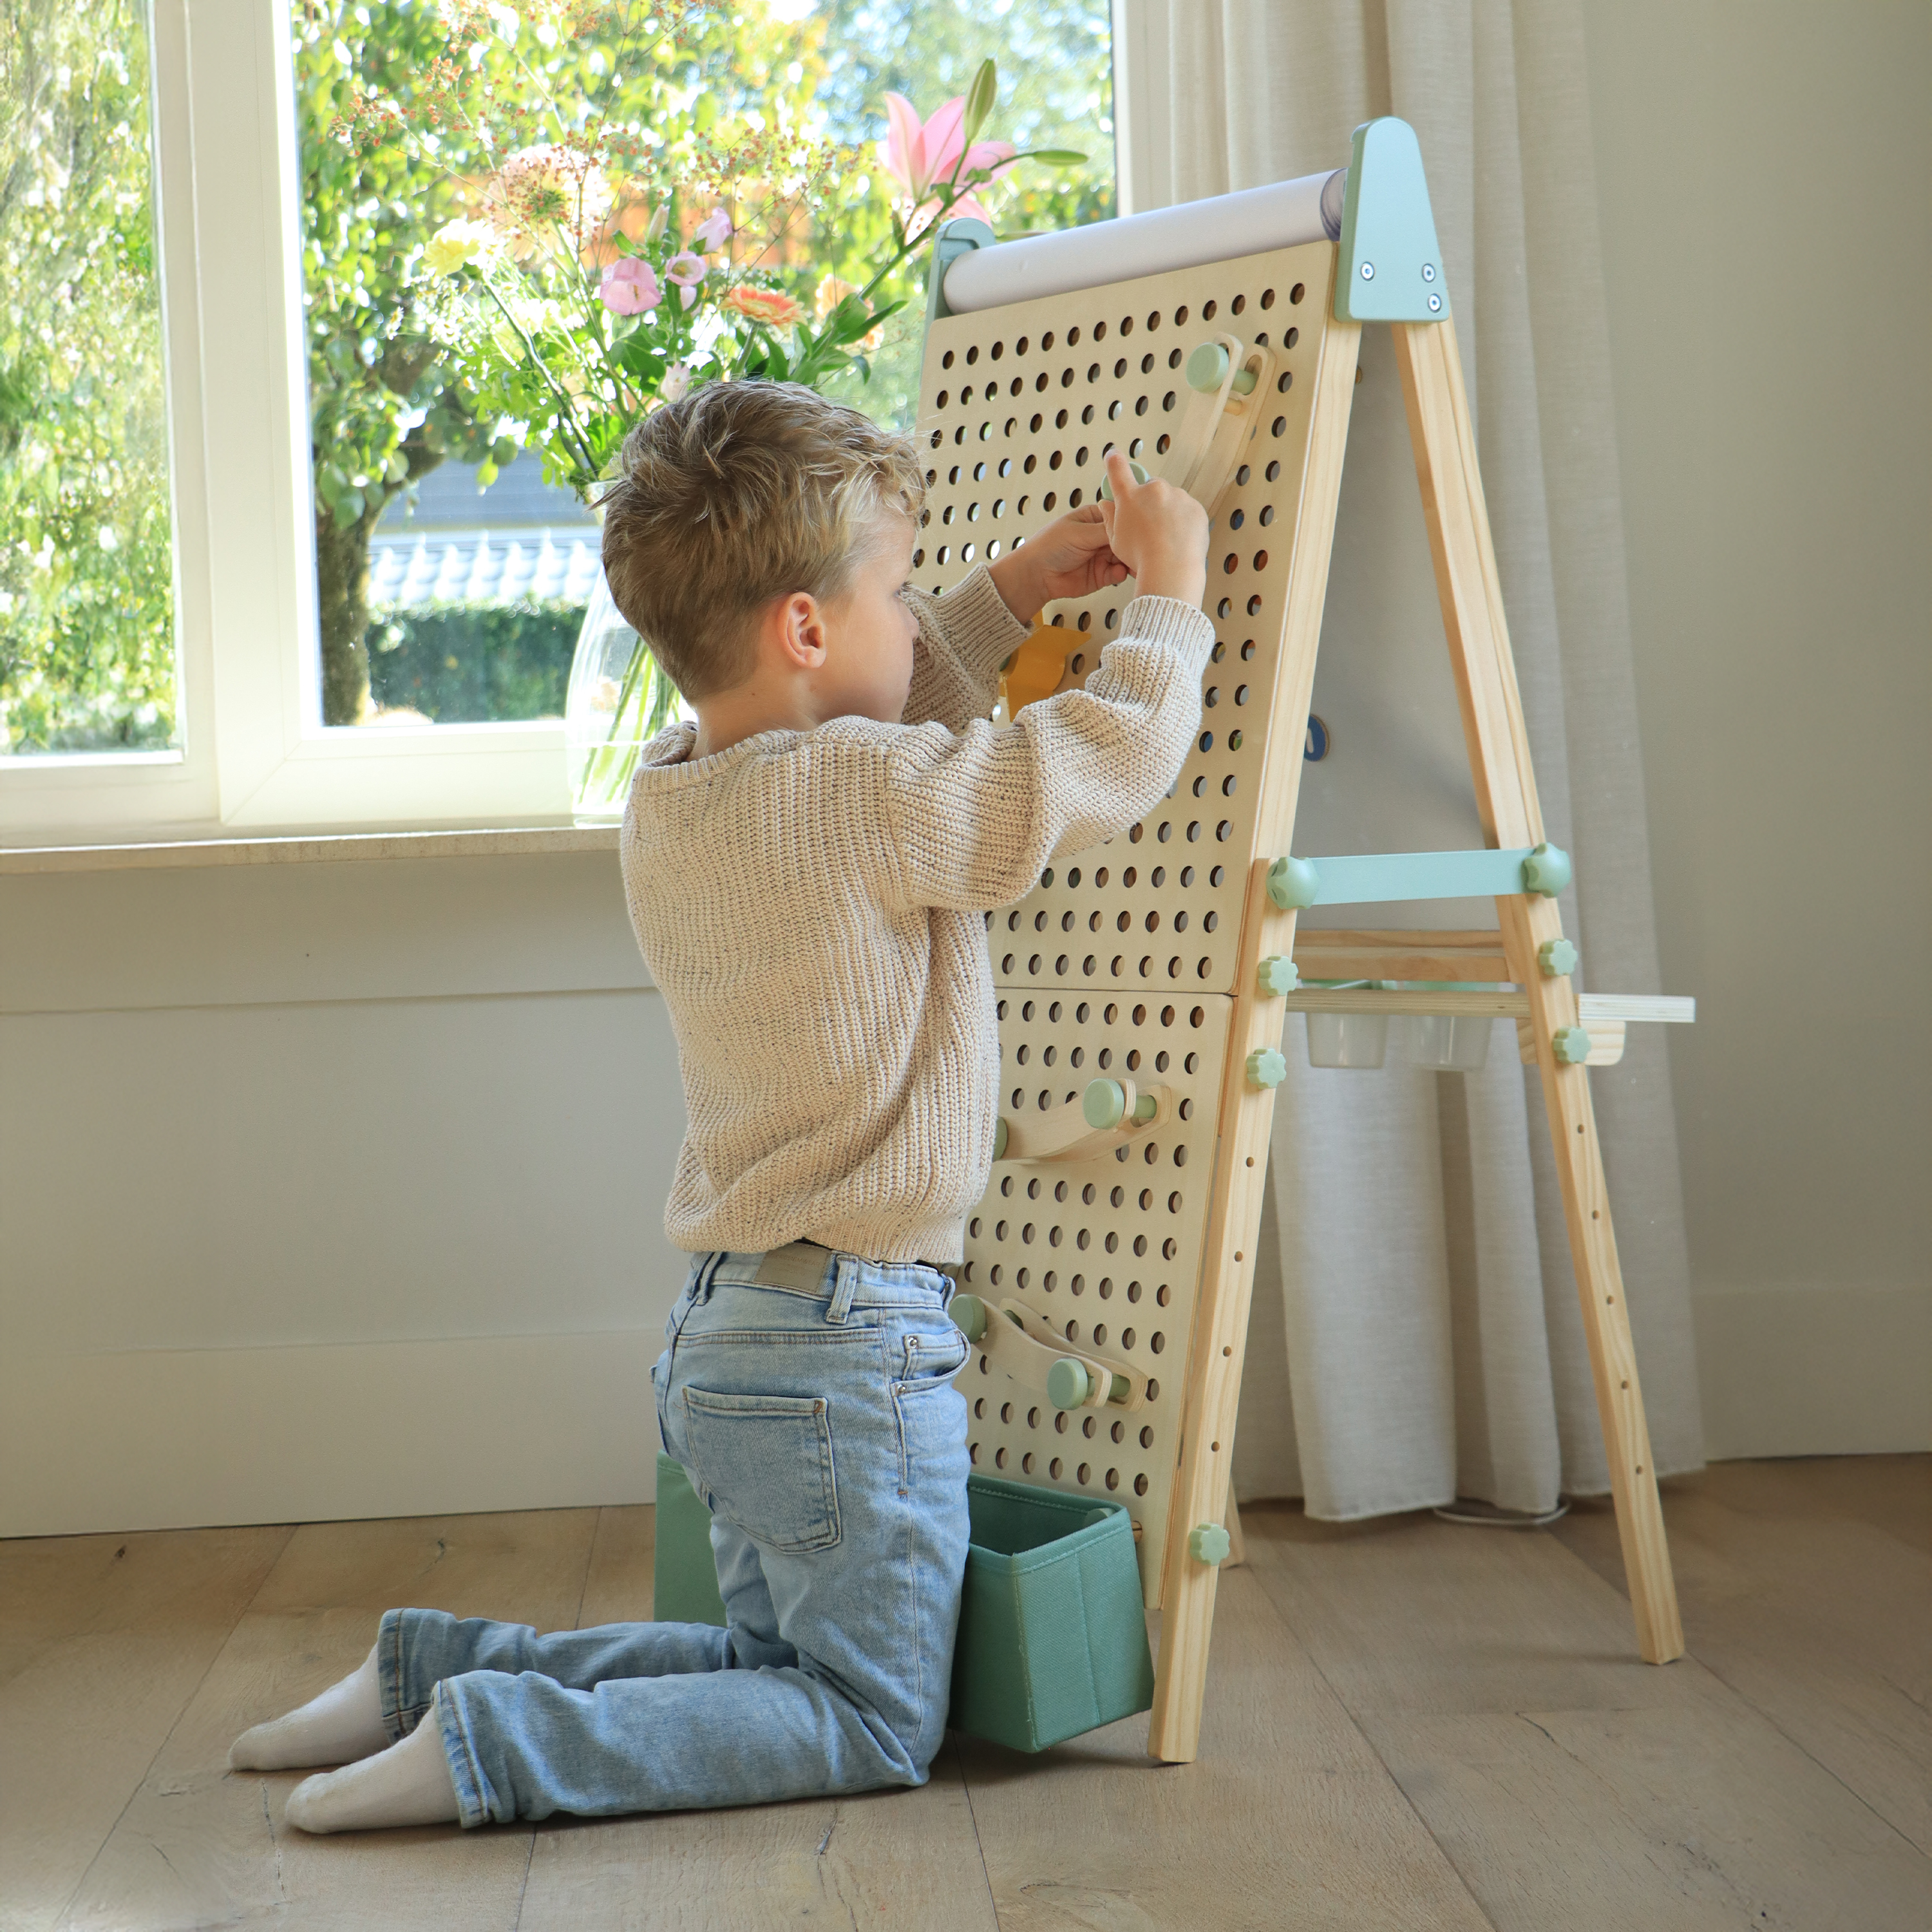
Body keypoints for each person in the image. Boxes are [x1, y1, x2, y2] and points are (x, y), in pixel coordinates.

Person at [229, 381, 1211, 1832]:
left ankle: (421, 1679)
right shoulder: (866, 798)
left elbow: (873, 733)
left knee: (767, 1669)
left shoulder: (680, 796)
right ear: (804, 628)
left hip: (730, 1332)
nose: (914, 616)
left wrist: (1003, 597)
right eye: (897, 590)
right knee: (869, 1714)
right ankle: (495, 1742)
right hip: (853, 1351)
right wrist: (1170, 601)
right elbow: (1078, 769)